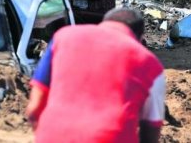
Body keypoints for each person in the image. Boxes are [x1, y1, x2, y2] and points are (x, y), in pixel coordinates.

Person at [25, 8, 166, 142]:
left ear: (103, 24)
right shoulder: (151, 64)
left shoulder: (62, 37)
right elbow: (150, 132)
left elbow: (34, 107)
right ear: (140, 38)